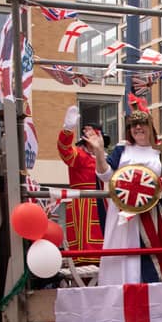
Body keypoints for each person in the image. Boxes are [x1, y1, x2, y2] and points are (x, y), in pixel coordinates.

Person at [87, 105, 162, 285]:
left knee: (149, 259)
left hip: (150, 214)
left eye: (142, 123)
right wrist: (99, 152)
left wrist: (152, 185)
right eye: (133, 124)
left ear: (150, 127)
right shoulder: (122, 150)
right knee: (122, 255)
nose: (138, 127)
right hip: (122, 214)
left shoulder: (161, 151)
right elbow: (105, 175)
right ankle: (118, 299)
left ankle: (151, 301)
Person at [57, 105, 108, 265]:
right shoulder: (79, 155)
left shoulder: (106, 157)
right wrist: (67, 130)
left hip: (105, 203)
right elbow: (64, 150)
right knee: (86, 256)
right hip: (85, 206)